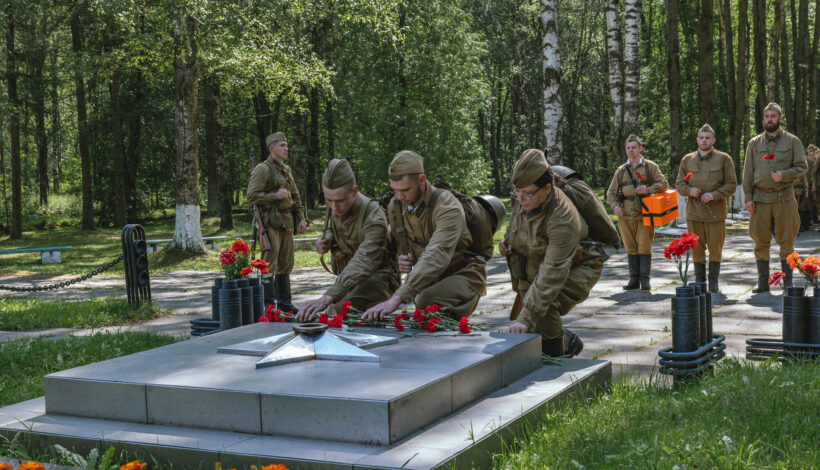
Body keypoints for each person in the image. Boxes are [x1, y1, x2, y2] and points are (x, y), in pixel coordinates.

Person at [500, 149, 604, 357]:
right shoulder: (524, 197)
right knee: (537, 311)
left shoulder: (562, 218)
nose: (520, 198)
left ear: (547, 188)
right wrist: (507, 242)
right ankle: (566, 340)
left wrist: (525, 318)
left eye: (526, 193)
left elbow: (551, 274)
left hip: (579, 264)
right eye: (516, 191)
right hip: (535, 264)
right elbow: (517, 227)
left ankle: (558, 358)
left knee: (543, 307)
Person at [362, 150, 487, 321]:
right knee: (424, 306)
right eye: (395, 190)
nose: (399, 197)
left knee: (428, 302)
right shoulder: (395, 207)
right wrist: (404, 258)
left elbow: (437, 254)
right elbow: (402, 246)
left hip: (464, 273)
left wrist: (397, 298)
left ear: (422, 180)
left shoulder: (447, 206)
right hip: (431, 280)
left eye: (405, 190)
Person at [296, 159, 400, 320]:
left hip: (381, 276)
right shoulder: (336, 204)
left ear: (354, 191)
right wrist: (326, 239)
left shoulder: (373, 216)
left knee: (339, 309)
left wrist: (328, 295)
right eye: (328, 200)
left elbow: (365, 259)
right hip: (351, 277)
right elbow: (332, 226)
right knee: (335, 308)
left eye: (339, 201)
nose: (333, 207)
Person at [742, 103, 808, 291]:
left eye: (773, 116)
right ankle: (763, 282)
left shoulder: (792, 141)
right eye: (766, 116)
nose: (769, 119)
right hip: (760, 199)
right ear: (763, 119)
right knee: (760, 240)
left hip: (784, 198)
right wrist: (748, 197)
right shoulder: (754, 144)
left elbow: (803, 166)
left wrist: (784, 175)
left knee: (787, 239)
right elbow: (747, 173)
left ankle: (787, 280)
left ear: (780, 118)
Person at [675, 124, 737, 293]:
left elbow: (731, 184)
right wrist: (690, 191)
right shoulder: (687, 160)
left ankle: (714, 282)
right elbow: (679, 183)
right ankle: (700, 281)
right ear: (697, 140)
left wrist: (715, 195)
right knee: (696, 247)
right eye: (701, 137)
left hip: (715, 213)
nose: (704, 140)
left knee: (716, 248)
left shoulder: (724, 159)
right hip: (694, 213)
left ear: (713, 140)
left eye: (707, 138)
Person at [246, 132, 307, 306]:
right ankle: (268, 305)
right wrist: (275, 195)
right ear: (271, 148)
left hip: (286, 222)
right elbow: (251, 197)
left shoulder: (286, 170)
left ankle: (285, 303)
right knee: (268, 264)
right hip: (269, 222)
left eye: (286, 145)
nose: (286, 148)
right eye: (282, 145)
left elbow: (295, 196)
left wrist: (301, 218)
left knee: (286, 263)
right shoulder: (263, 169)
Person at [606, 135, 669, 290]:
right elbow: (610, 193)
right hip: (625, 214)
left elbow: (664, 183)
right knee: (630, 247)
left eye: (634, 147)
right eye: (628, 148)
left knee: (644, 246)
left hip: (644, 214)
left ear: (640, 149)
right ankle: (633, 280)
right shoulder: (621, 170)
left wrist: (649, 189)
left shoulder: (650, 167)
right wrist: (615, 206)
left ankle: (645, 280)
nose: (631, 151)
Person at [805, 144, 819, 229]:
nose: (812, 156)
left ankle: (811, 219)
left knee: (812, 203)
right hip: (808, 185)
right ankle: (807, 221)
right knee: (805, 204)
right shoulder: (808, 163)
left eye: (813, 154)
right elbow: (812, 174)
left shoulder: (814, 161)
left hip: (813, 184)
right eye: (810, 154)